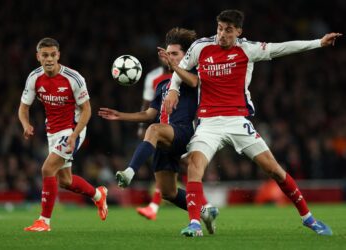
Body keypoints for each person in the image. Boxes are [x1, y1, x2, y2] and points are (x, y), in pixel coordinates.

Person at [160, 10, 342, 237]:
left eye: (228, 30)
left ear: (238, 31)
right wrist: (173, 90)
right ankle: (195, 224)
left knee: (275, 170)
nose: (222, 35)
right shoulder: (200, 47)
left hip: (238, 121)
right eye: (219, 28)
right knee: (195, 167)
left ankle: (309, 218)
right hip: (209, 123)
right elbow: (180, 71)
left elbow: (282, 47)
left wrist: (318, 42)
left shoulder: (248, 49)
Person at [98, 27, 219, 234]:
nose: (170, 57)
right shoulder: (162, 85)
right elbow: (149, 114)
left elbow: (194, 82)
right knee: (168, 192)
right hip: (165, 139)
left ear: (186, 56)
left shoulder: (193, 75)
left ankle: (129, 172)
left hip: (183, 133)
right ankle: (203, 212)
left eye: (175, 54)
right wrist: (121, 115)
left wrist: (174, 65)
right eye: (168, 53)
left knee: (153, 130)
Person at [19, 37, 108, 232]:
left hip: (72, 128)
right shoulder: (34, 77)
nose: (49, 59)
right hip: (53, 131)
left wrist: (75, 135)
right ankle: (99, 195)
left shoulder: (74, 78)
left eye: (52, 55)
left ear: (58, 55)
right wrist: (26, 124)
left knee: (47, 169)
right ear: (38, 57)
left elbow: (87, 110)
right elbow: (23, 108)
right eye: (45, 55)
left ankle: (44, 221)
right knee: (66, 181)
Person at [136, 64, 172, 220]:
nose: (166, 57)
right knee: (170, 164)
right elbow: (147, 103)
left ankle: (203, 205)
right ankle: (154, 206)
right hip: (163, 126)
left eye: (172, 53)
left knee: (188, 165)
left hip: (184, 124)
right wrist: (141, 126)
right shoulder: (153, 77)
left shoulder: (187, 72)